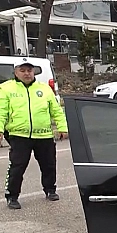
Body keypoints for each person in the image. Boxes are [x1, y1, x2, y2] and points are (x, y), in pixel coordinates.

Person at [0, 58, 68, 210]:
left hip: (44, 135)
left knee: (49, 165)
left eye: (29, 70)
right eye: (22, 71)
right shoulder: (6, 88)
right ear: (16, 72)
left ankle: (50, 190)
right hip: (19, 136)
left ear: (33, 72)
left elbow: (56, 110)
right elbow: (1, 111)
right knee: (17, 167)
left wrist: (63, 127)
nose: (26, 73)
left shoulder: (44, 89)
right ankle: (12, 196)